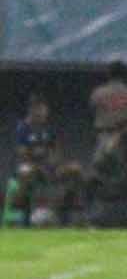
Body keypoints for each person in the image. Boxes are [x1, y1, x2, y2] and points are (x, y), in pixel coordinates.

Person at [10, 93, 82, 226]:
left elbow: (57, 150)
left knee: (75, 169)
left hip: (49, 167)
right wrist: (37, 156)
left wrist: (53, 161)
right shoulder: (23, 127)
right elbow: (22, 153)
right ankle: (21, 214)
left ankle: (68, 214)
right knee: (26, 173)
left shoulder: (48, 128)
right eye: (38, 109)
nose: (42, 112)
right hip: (31, 166)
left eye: (44, 109)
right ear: (32, 109)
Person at [90, 61, 127, 151]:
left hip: (106, 136)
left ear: (108, 74)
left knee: (101, 163)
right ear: (125, 75)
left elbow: (92, 111)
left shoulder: (98, 93)